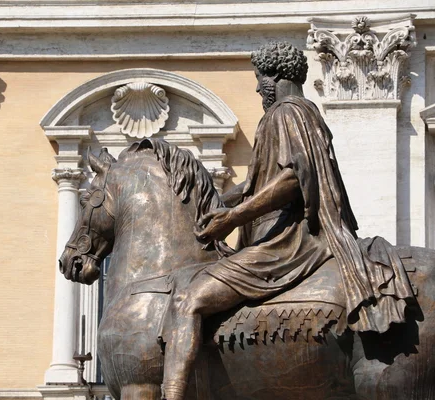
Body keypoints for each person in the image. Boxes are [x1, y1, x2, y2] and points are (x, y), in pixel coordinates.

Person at [161, 41, 415, 400]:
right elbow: (254, 187)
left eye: (259, 77)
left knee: (189, 300)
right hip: (291, 237)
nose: (256, 87)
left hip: (290, 243)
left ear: (276, 77)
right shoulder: (301, 114)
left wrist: (231, 219)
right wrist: (214, 204)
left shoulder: (286, 113)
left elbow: (293, 179)